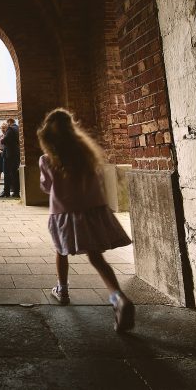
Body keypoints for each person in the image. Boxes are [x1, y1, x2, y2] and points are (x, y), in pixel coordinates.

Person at [37, 108, 135, 332]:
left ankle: (62, 290)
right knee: (96, 258)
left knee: (61, 251)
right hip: (92, 211)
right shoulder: (87, 154)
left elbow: (46, 186)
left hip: (63, 213)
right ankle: (118, 298)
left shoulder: (47, 159)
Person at [0, 117, 20, 198]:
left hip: (9, 155)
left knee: (6, 173)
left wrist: (2, 140)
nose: (7, 125)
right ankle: (16, 192)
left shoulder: (10, 128)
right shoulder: (18, 128)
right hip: (16, 154)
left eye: (7, 123)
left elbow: (5, 140)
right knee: (15, 174)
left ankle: (6, 192)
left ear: (10, 122)